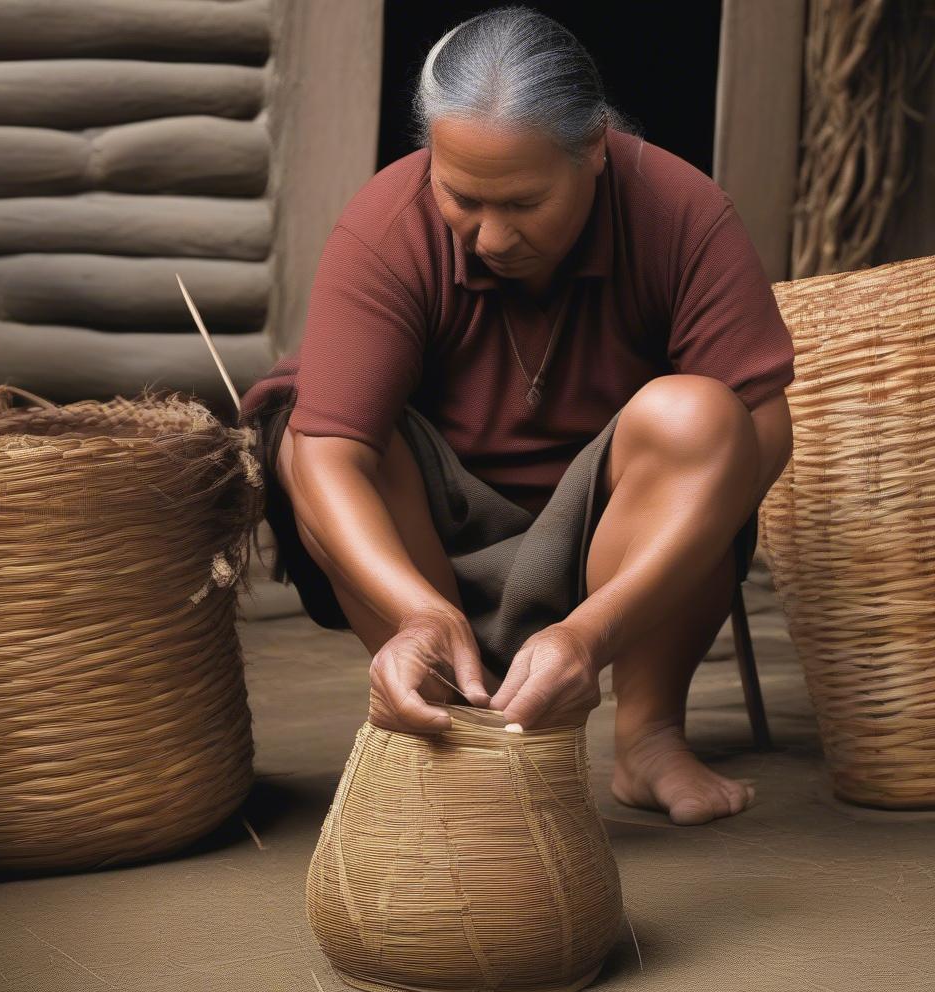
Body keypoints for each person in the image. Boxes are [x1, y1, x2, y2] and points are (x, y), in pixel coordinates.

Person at [240, 5, 795, 826]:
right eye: (462, 197)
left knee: (708, 419)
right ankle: (455, 726)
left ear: (596, 151)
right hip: (432, 530)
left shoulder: (680, 211)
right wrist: (418, 612)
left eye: (526, 203)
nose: (491, 237)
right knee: (307, 440)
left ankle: (650, 737)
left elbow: (766, 433)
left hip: (607, 533)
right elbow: (329, 456)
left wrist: (592, 634)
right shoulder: (388, 226)